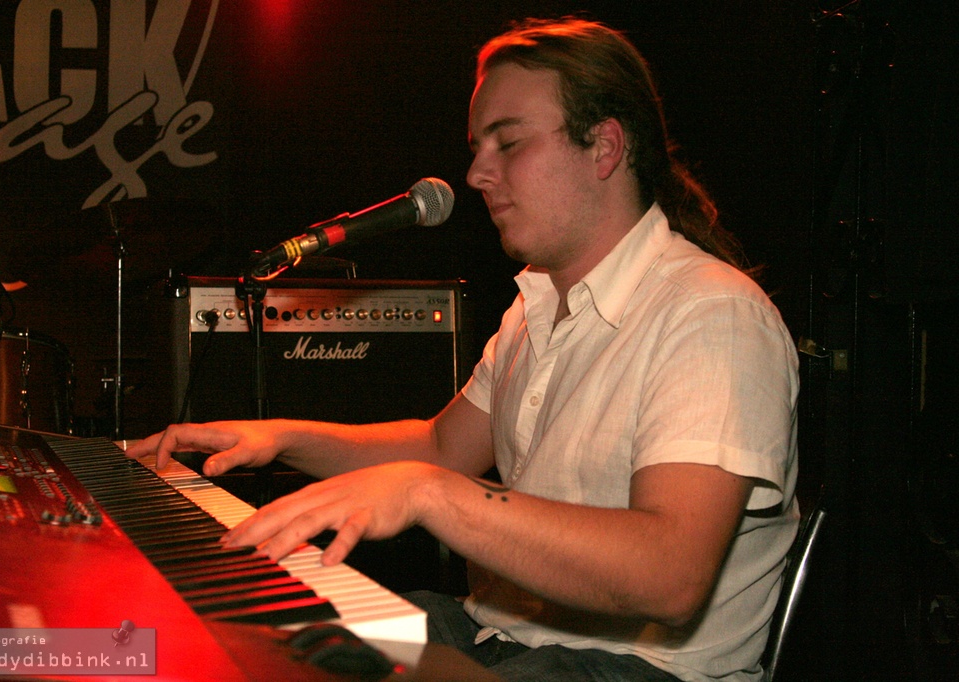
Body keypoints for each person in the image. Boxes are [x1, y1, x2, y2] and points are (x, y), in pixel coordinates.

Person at [128, 17, 799, 682]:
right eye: (478, 146)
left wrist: (429, 494)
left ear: (603, 146)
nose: (477, 173)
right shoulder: (535, 304)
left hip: (640, 670)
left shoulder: (711, 314)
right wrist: (278, 436)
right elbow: (441, 449)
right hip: (497, 635)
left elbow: (669, 575)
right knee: (217, 638)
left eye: (507, 144)